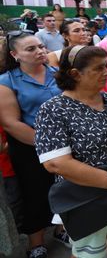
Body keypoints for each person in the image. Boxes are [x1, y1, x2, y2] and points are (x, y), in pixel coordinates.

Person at [35, 45, 107, 258]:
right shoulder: (53, 110)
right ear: (75, 74)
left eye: (106, 66)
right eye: (98, 69)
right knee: (90, 252)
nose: (106, 72)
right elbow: (55, 163)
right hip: (86, 198)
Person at [0, 30, 67, 258]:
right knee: (35, 194)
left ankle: (61, 229)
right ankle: (36, 242)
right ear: (14, 54)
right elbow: (10, 123)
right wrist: (46, 145)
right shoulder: (7, 81)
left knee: (64, 189)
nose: (40, 51)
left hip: (63, 144)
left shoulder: (57, 73)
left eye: (40, 46)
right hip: (29, 148)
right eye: (31, 49)